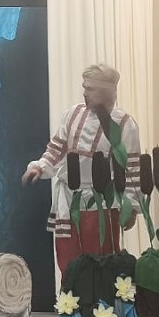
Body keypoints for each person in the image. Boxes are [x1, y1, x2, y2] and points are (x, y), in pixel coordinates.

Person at [22, 63, 140, 282]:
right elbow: (57, 149)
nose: (84, 93)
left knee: (101, 262)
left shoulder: (125, 124)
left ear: (107, 91)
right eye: (84, 87)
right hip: (69, 201)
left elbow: (132, 168)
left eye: (90, 89)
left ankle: (101, 303)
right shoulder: (73, 114)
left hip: (103, 204)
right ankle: (71, 300)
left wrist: (131, 207)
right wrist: (39, 166)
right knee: (69, 262)